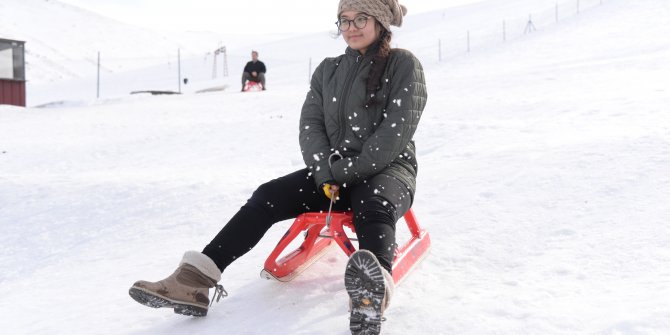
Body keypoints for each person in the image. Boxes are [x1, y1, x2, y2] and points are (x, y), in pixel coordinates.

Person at [129, 0, 426, 333]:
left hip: (388, 173)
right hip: (333, 176)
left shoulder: (403, 64)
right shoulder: (328, 69)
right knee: (268, 195)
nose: (351, 27)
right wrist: (326, 173)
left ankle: (372, 293)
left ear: (381, 21)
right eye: (344, 20)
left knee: (373, 204)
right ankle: (195, 279)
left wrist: (343, 172)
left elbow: (393, 134)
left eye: (361, 18)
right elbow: (310, 127)